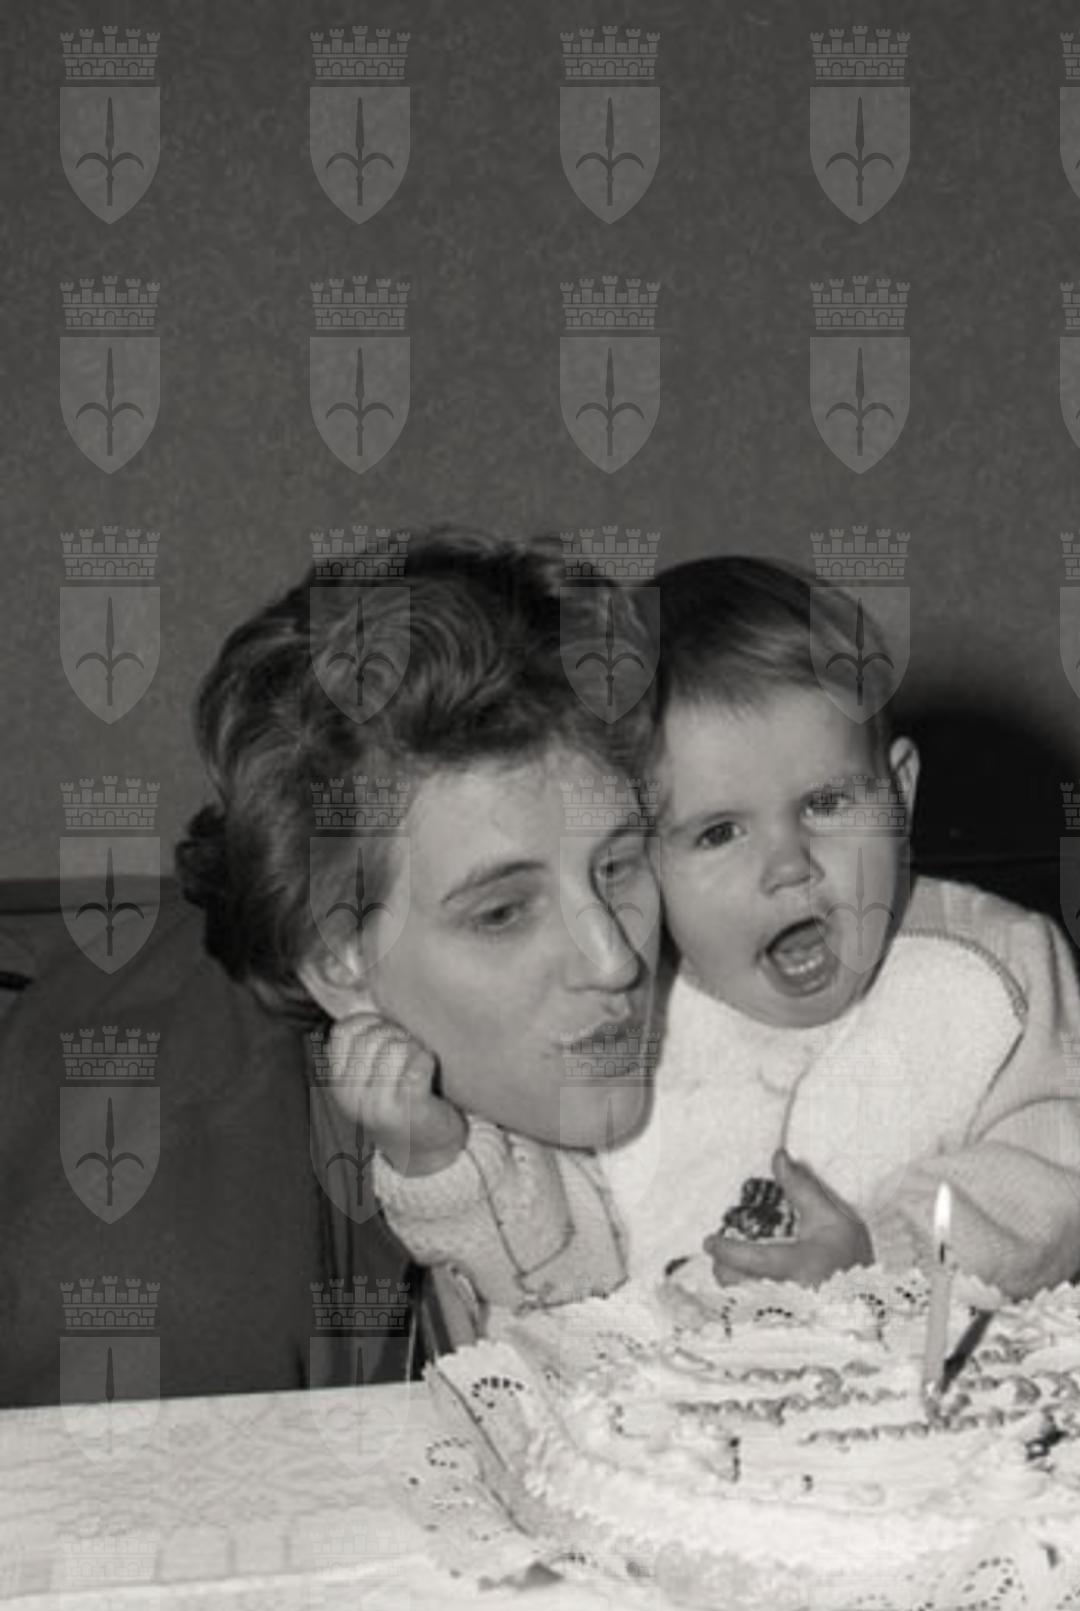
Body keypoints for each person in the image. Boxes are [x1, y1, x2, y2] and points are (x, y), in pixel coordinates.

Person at [347, 555, 1080, 1308]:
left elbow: (1049, 1176)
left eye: (825, 804)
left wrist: (885, 1254)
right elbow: (553, 1271)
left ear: (899, 794)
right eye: (718, 832)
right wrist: (439, 1158)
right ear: (644, 856)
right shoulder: (625, 1016)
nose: (788, 866)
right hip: (657, 1386)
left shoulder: (990, 969)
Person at [0, 529, 659, 1406]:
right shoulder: (184, 1305)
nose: (615, 961)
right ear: (340, 965)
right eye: (502, 913)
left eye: (617, 866)